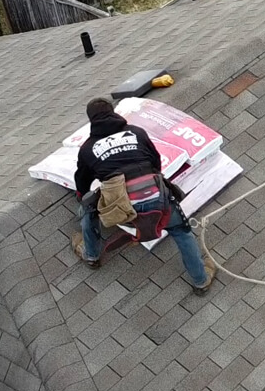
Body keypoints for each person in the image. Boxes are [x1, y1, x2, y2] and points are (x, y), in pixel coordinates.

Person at [74, 97, 215, 295]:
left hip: (121, 211)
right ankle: (201, 281)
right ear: (113, 112)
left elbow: (82, 183)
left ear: (91, 120)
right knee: (181, 232)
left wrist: (82, 197)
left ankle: (92, 256)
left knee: (87, 208)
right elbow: (156, 162)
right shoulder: (136, 132)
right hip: (158, 202)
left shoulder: (87, 149)